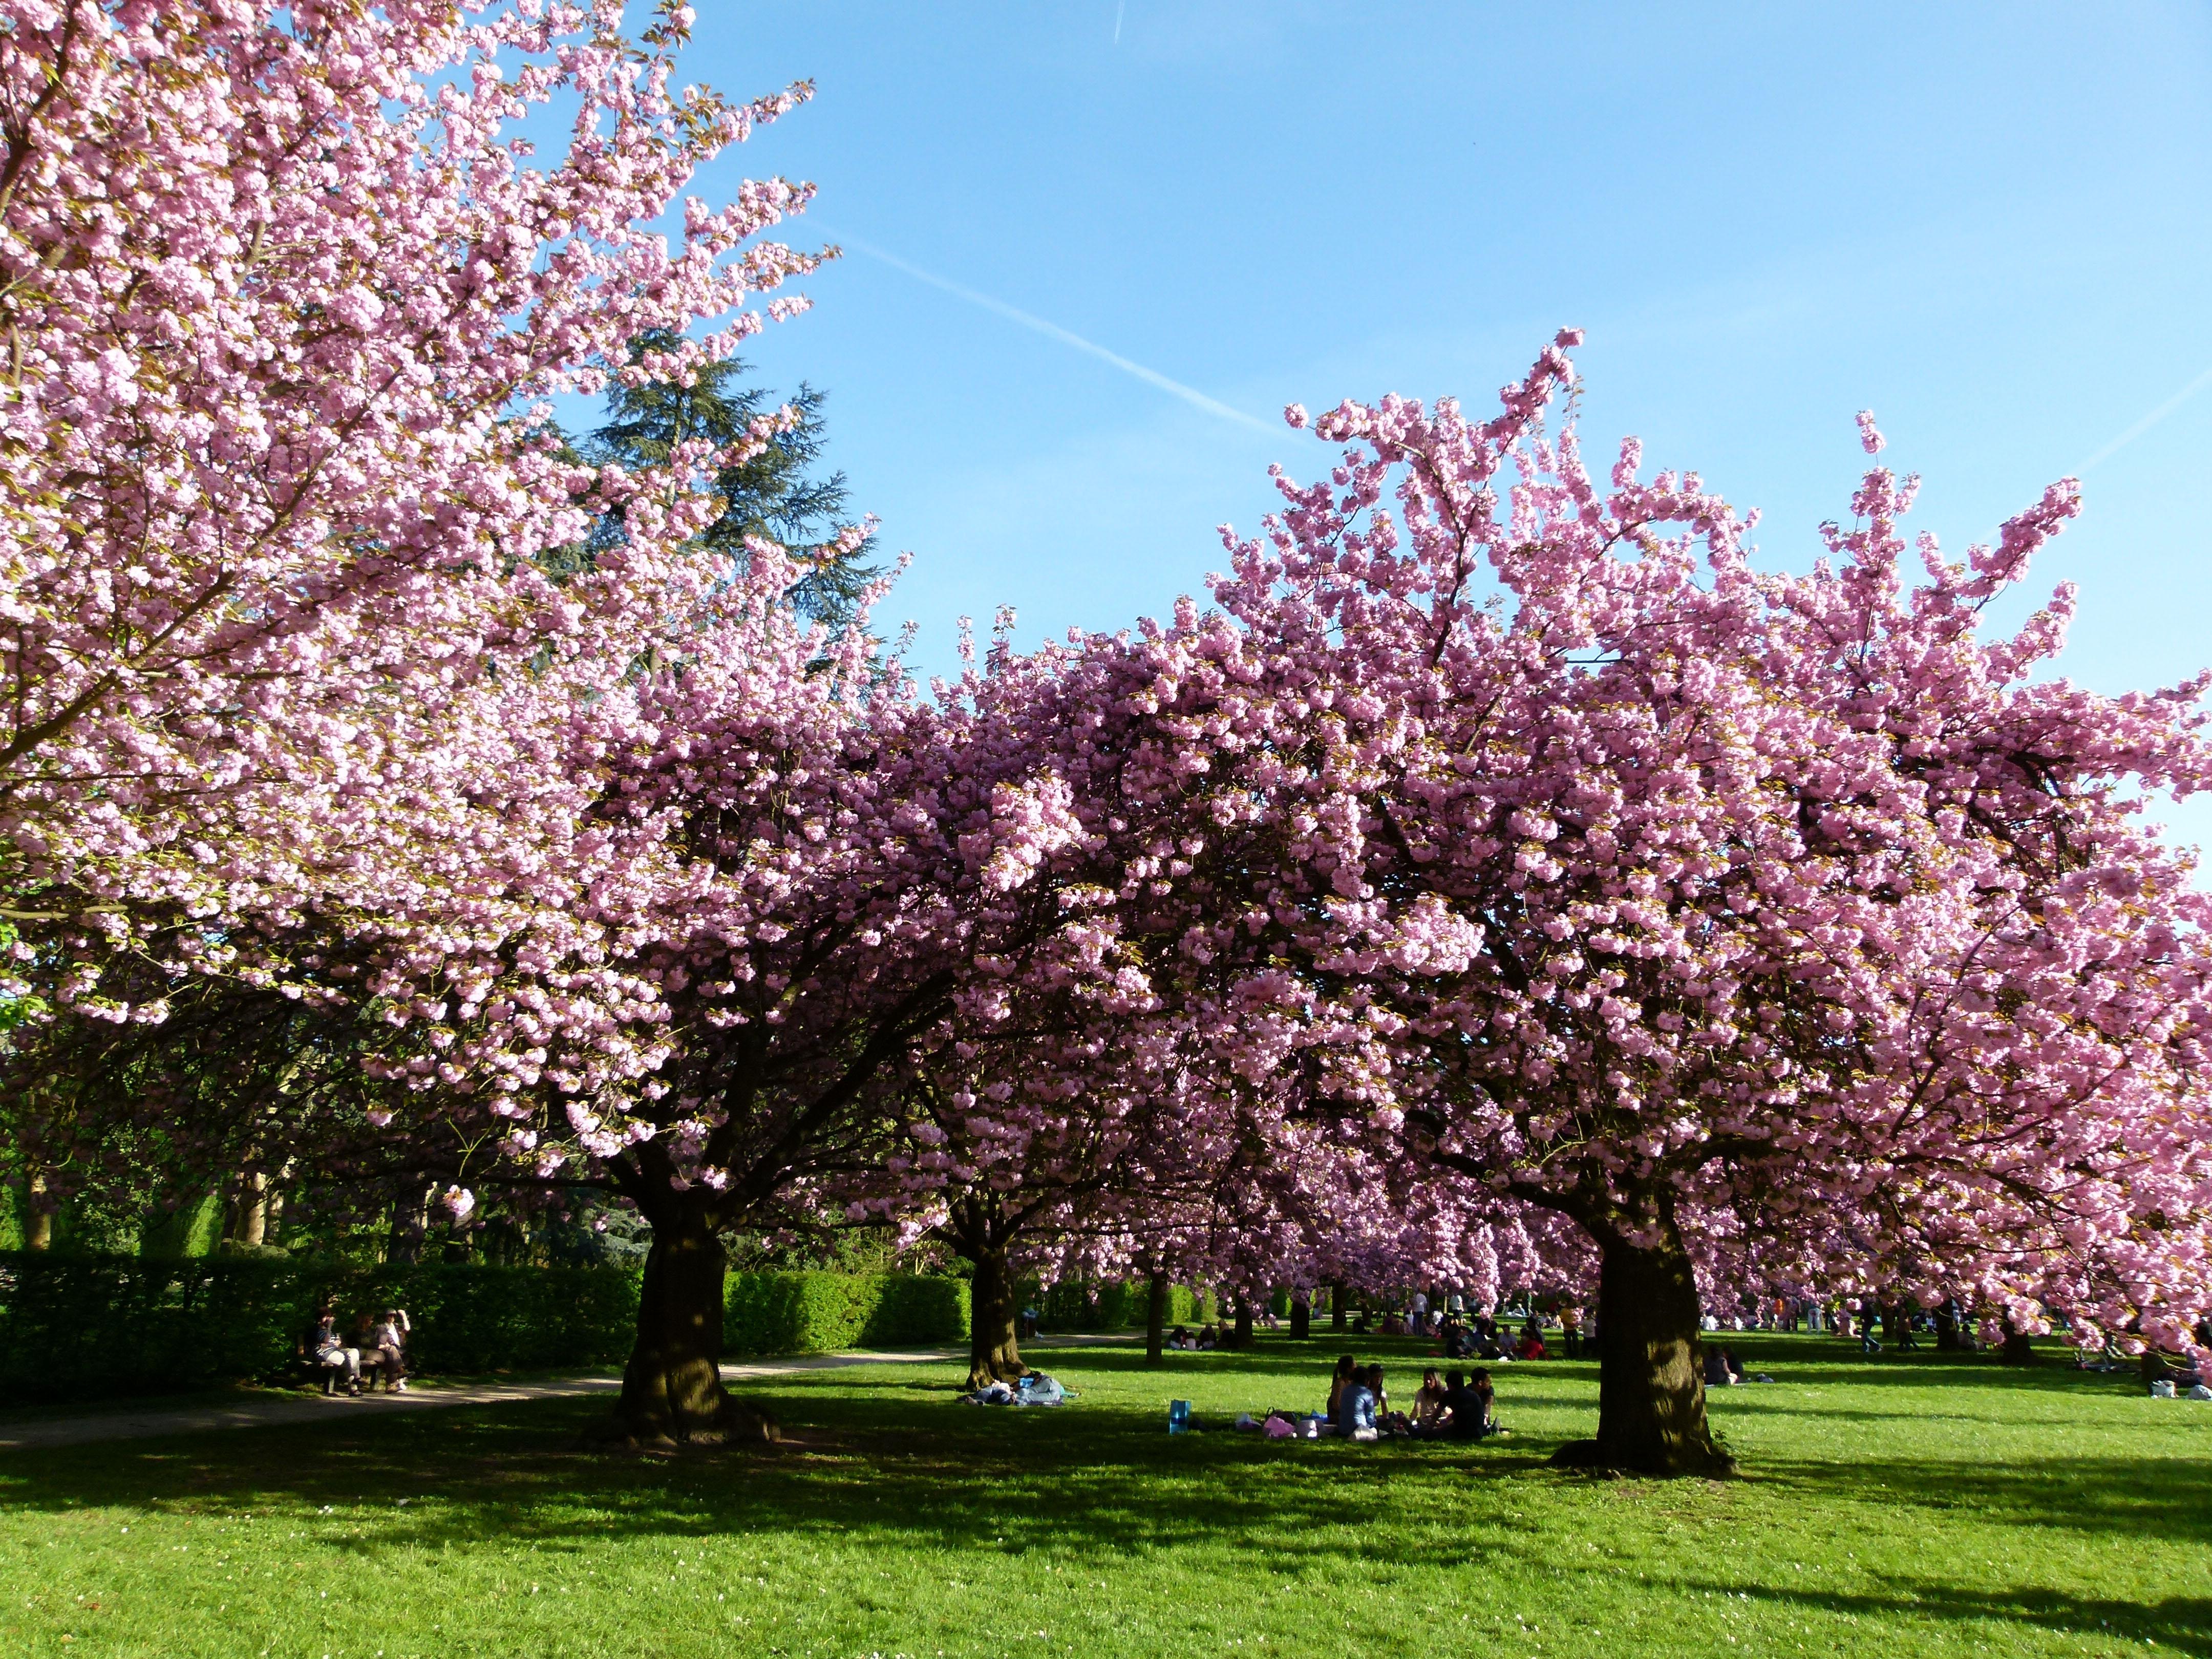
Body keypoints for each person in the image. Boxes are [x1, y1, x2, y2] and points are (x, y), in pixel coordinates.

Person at [307, 1306, 360, 1395]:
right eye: (325, 1317)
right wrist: (330, 1327)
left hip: (336, 1351)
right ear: (320, 1319)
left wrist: (339, 1342)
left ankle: (357, 1377)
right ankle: (354, 1388)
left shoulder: (331, 1331)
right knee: (350, 1361)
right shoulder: (317, 1329)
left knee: (354, 1352)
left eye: (329, 1317)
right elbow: (325, 1341)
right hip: (325, 1354)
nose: (328, 1319)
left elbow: (335, 1343)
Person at [369, 1307, 410, 1393]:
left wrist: (404, 1316)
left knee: (402, 1354)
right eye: (389, 1316)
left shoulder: (396, 1326)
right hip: (383, 1350)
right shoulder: (381, 1327)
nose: (391, 1318)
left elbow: (407, 1329)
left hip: (396, 1348)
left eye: (393, 1316)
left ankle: (399, 1381)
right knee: (393, 1352)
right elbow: (381, 1343)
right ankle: (399, 1374)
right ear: (385, 1317)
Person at [1338, 1365, 1379, 1441]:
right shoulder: (1367, 1393)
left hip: (1343, 1429)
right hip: (1357, 1427)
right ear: (1366, 1380)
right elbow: (1370, 1418)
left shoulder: (1346, 1390)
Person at [1411, 1367, 1450, 1433]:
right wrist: (1411, 1421)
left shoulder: (1444, 1391)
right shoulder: (1422, 1392)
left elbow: (1451, 1412)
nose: (1428, 1382)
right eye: (1425, 1380)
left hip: (1443, 1419)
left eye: (1430, 1380)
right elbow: (1416, 1409)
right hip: (1427, 1420)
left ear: (1436, 1380)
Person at [1324, 1354, 1359, 1422]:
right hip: (1339, 1417)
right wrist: (1350, 1413)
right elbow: (1336, 1405)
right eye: (1354, 1365)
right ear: (1349, 1369)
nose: (1356, 1367)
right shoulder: (1340, 1383)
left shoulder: (1351, 1382)